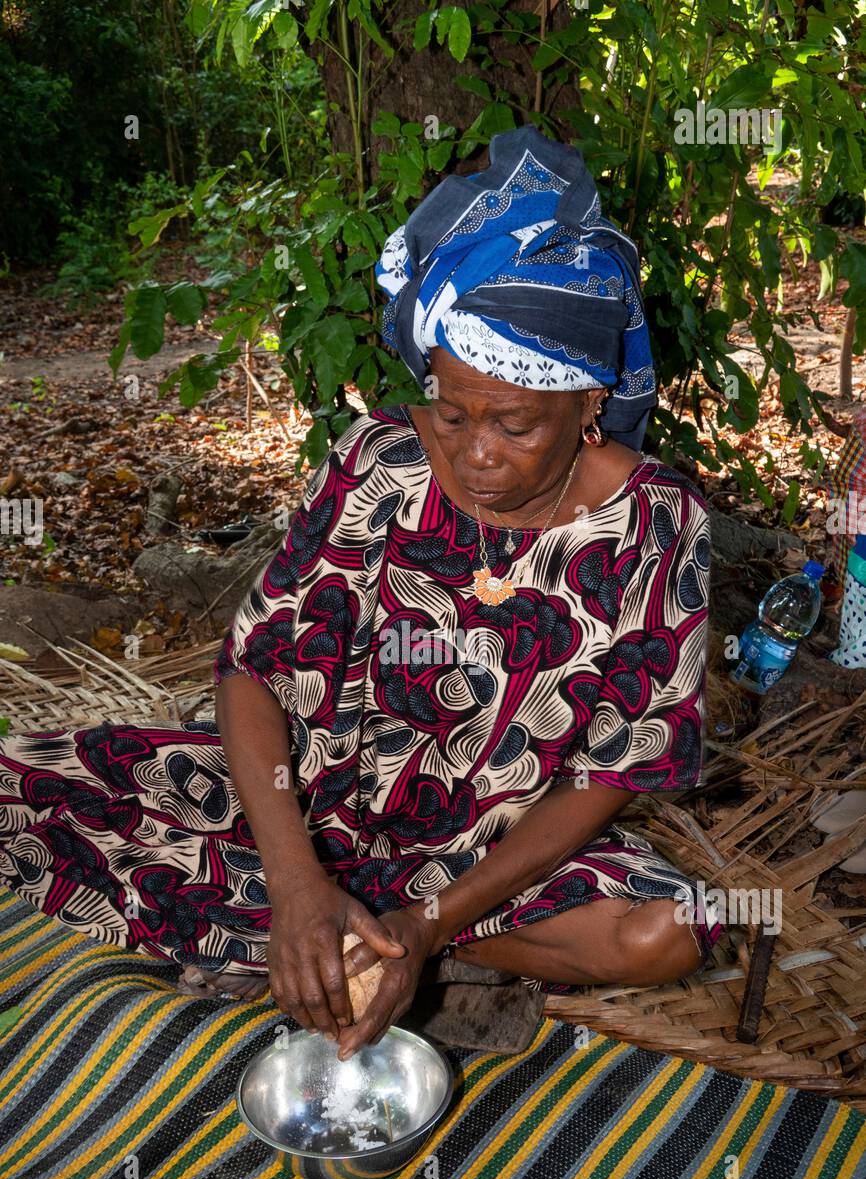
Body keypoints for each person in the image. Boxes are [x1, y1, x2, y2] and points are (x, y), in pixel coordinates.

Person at [0, 127, 720, 1062]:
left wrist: (427, 919)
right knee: (21, 783)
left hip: (500, 850)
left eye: (515, 423)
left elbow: (611, 775)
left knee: (666, 933)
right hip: (316, 805)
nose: (475, 452)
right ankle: (325, 920)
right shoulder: (382, 461)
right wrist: (298, 879)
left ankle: (386, 937)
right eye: (452, 412)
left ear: (589, 404)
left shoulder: (660, 525)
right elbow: (253, 673)